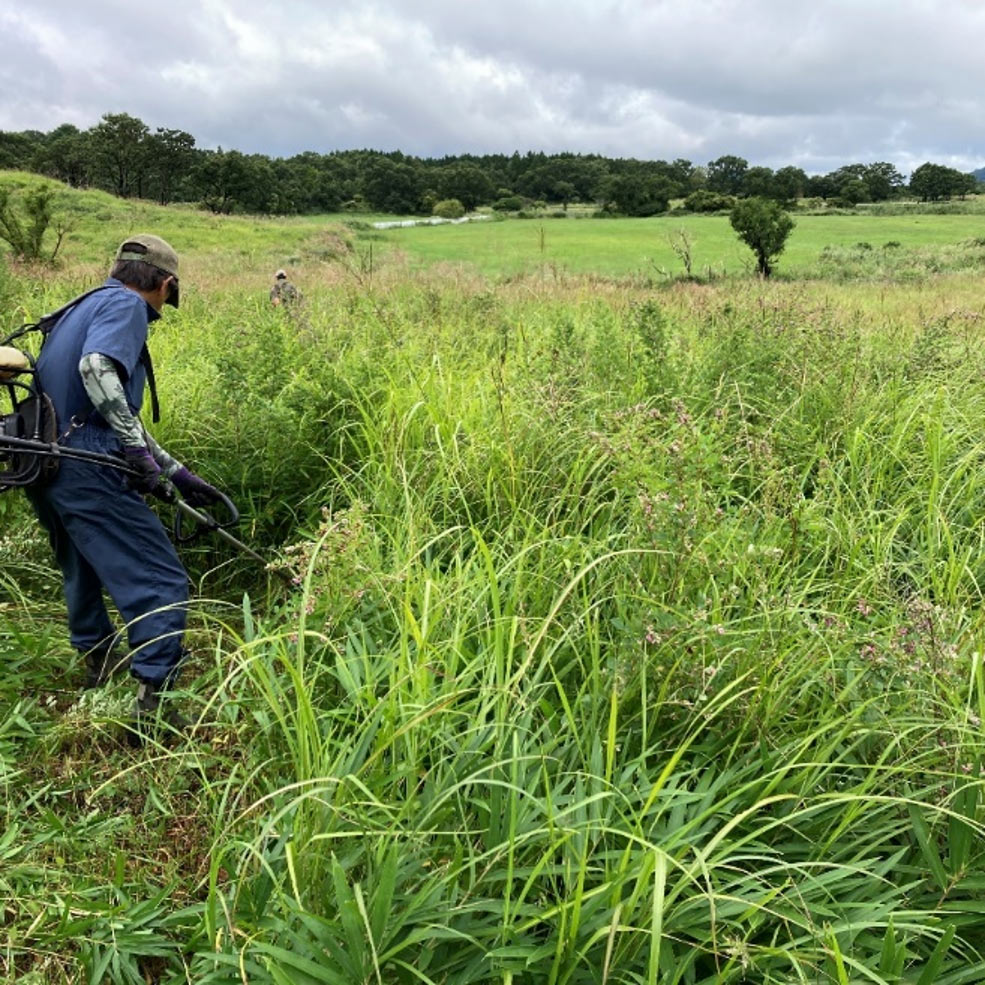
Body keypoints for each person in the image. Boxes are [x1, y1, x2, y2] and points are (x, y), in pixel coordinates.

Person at [26, 234, 223, 742]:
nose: (160, 309)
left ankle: (100, 665)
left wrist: (174, 471)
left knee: (81, 565)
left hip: (44, 461)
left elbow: (103, 405)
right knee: (161, 580)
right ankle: (154, 708)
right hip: (87, 464)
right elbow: (98, 371)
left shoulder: (83, 305)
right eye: (166, 299)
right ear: (165, 283)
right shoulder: (126, 306)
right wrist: (134, 455)